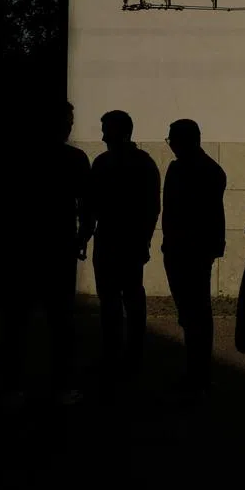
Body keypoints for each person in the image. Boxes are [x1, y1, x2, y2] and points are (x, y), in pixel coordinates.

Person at [0, 102, 91, 407]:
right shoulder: (75, 159)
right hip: (58, 246)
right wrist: (82, 236)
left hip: (23, 247)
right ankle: (62, 386)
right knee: (61, 321)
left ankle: (12, 386)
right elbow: (87, 204)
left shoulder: (18, 157)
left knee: (16, 320)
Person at [79, 110, 160, 392]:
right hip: (129, 241)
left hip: (111, 240)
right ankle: (131, 355)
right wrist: (144, 240)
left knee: (111, 300)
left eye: (105, 129)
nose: (102, 135)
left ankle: (114, 354)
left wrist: (84, 236)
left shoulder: (103, 163)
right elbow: (151, 207)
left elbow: (90, 206)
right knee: (130, 297)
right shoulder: (143, 164)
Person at [161, 119, 226, 404]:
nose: (171, 144)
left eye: (172, 139)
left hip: (186, 249)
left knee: (194, 312)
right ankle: (198, 370)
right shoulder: (209, 170)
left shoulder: (188, 170)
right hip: (191, 249)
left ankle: (197, 371)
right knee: (195, 311)